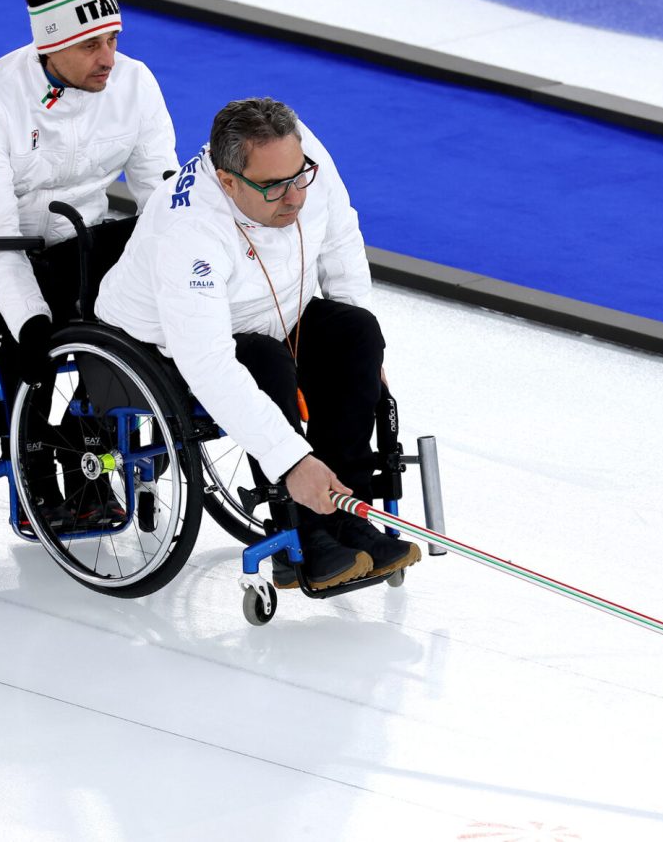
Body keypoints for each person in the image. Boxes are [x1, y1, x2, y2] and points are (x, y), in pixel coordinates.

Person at [96, 97, 421, 590]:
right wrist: (292, 460)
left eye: (299, 177)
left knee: (356, 333)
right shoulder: (190, 231)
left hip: (269, 311)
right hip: (163, 343)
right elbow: (209, 362)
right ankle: (302, 534)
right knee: (263, 361)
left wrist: (363, 362)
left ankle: (347, 514)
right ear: (228, 182)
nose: (294, 197)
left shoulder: (299, 156)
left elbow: (340, 239)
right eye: (273, 187)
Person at [0, 0, 178, 526]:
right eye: (91, 45)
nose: (108, 58)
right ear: (50, 45)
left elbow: (164, 201)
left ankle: (99, 435)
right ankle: (35, 465)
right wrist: (31, 322)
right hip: (3, 257)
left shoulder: (135, 84)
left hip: (82, 249)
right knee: (30, 336)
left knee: (152, 243)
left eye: (113, 40)